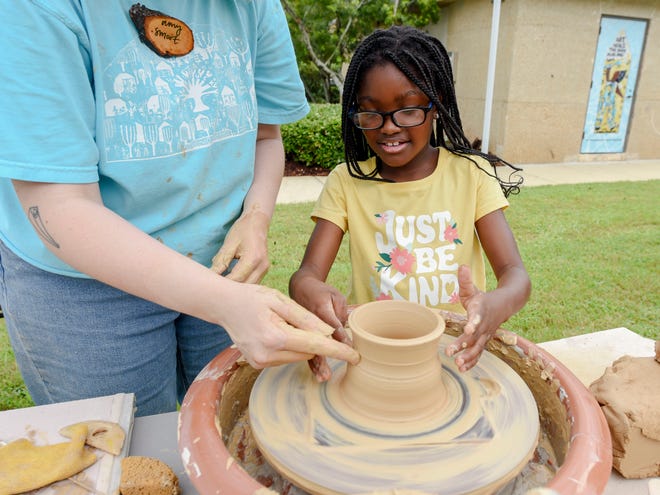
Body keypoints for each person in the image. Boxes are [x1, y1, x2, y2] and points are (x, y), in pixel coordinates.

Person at [0, 0, 358, 416]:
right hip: (85, 286)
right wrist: (225, 303)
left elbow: (265, 137)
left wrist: (255, 217)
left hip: (222, 260)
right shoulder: (35, 8)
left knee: (232, 427)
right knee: (133, 457)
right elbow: (59, 206)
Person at [289, 26, 531, 373]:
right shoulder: (346, 182)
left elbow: (515, 275)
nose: (389, 127)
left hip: (454, 350)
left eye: (407, 110)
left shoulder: (471, 174)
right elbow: (306, 274)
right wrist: (308, 289)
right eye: (371, 112)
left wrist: (496, 304)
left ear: (437, 105)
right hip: (374, 354)